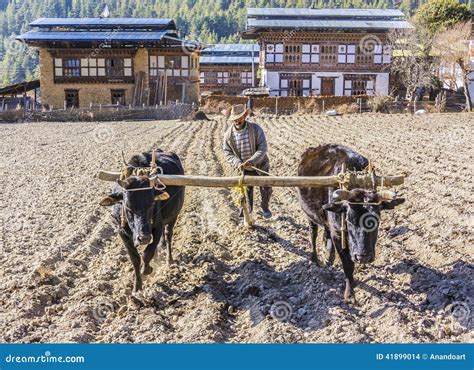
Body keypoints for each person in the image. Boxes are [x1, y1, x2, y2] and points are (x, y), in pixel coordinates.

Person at [223, 104, 272, 219]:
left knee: (266, 188)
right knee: (247, 190)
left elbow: (263, 147)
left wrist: (252, 160)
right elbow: (227, 152)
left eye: (239, 117)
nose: (237, 121)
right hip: (244, 168)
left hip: (260, 165)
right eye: (235, 119)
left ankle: (264, 207)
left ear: (244, 116)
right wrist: (238, 163)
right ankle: (247, 211)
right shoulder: (228, 135)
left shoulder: (255, 129)